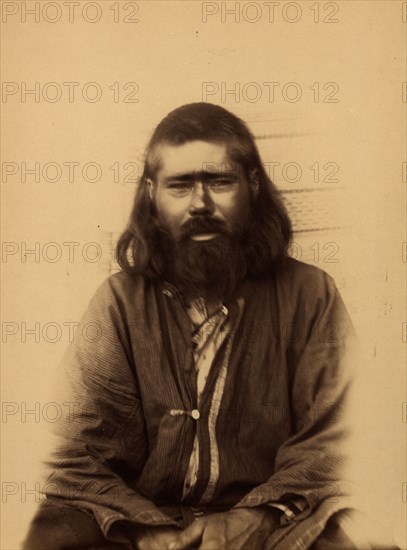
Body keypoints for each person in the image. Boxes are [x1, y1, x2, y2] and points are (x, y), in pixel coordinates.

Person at [24, 103, 369, 549]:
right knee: (39, 533)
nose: (200, 204)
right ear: (151, 193)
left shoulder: (311, 294)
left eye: (219, 182)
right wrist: (149, 528)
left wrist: (257, 516)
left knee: (359, 533)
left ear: (253, 186)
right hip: (144, 519)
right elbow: (71, 450)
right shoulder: (119, 302)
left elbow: (339, 436)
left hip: (273, 524)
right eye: (180, 185)